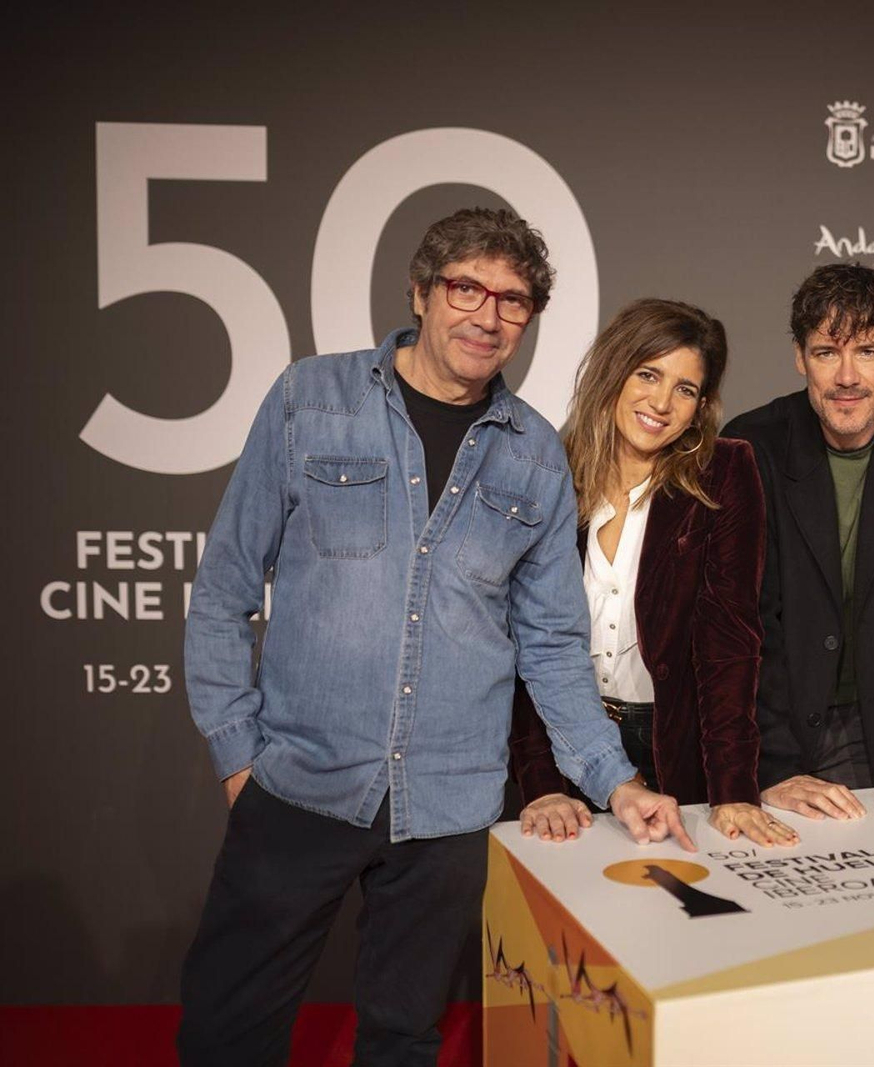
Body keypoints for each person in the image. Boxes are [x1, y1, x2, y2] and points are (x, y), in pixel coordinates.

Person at [178, 208, 692, 1067]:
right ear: (421, 291)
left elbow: (554, 644)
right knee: (227, 1031)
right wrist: (239, 756)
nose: (488, 316)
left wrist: (617, 779)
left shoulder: (533, 454)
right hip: (299, 783)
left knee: (403, 1041)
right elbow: (227, 585)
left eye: (514, 300)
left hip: (448, 809)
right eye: (467, 288)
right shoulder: (312, 398)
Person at [509, 298, 799, 848]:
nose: (662, 403)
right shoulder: (549, 468)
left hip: (673, 742)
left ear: (702, 404)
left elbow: (729, 641)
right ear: (615, 371)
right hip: (564, 737)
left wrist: (734, 788)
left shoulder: (725, 473)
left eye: (685, 389)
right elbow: (525, 644)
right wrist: (540, 782)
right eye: (648, 375)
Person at [724, 263, 874, 820]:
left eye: (867, 351)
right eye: (826, 353)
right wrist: (775, 767)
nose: (847, 377)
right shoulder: (750, 443)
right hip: (783, 736)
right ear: (799, 359)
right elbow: (743, 621)